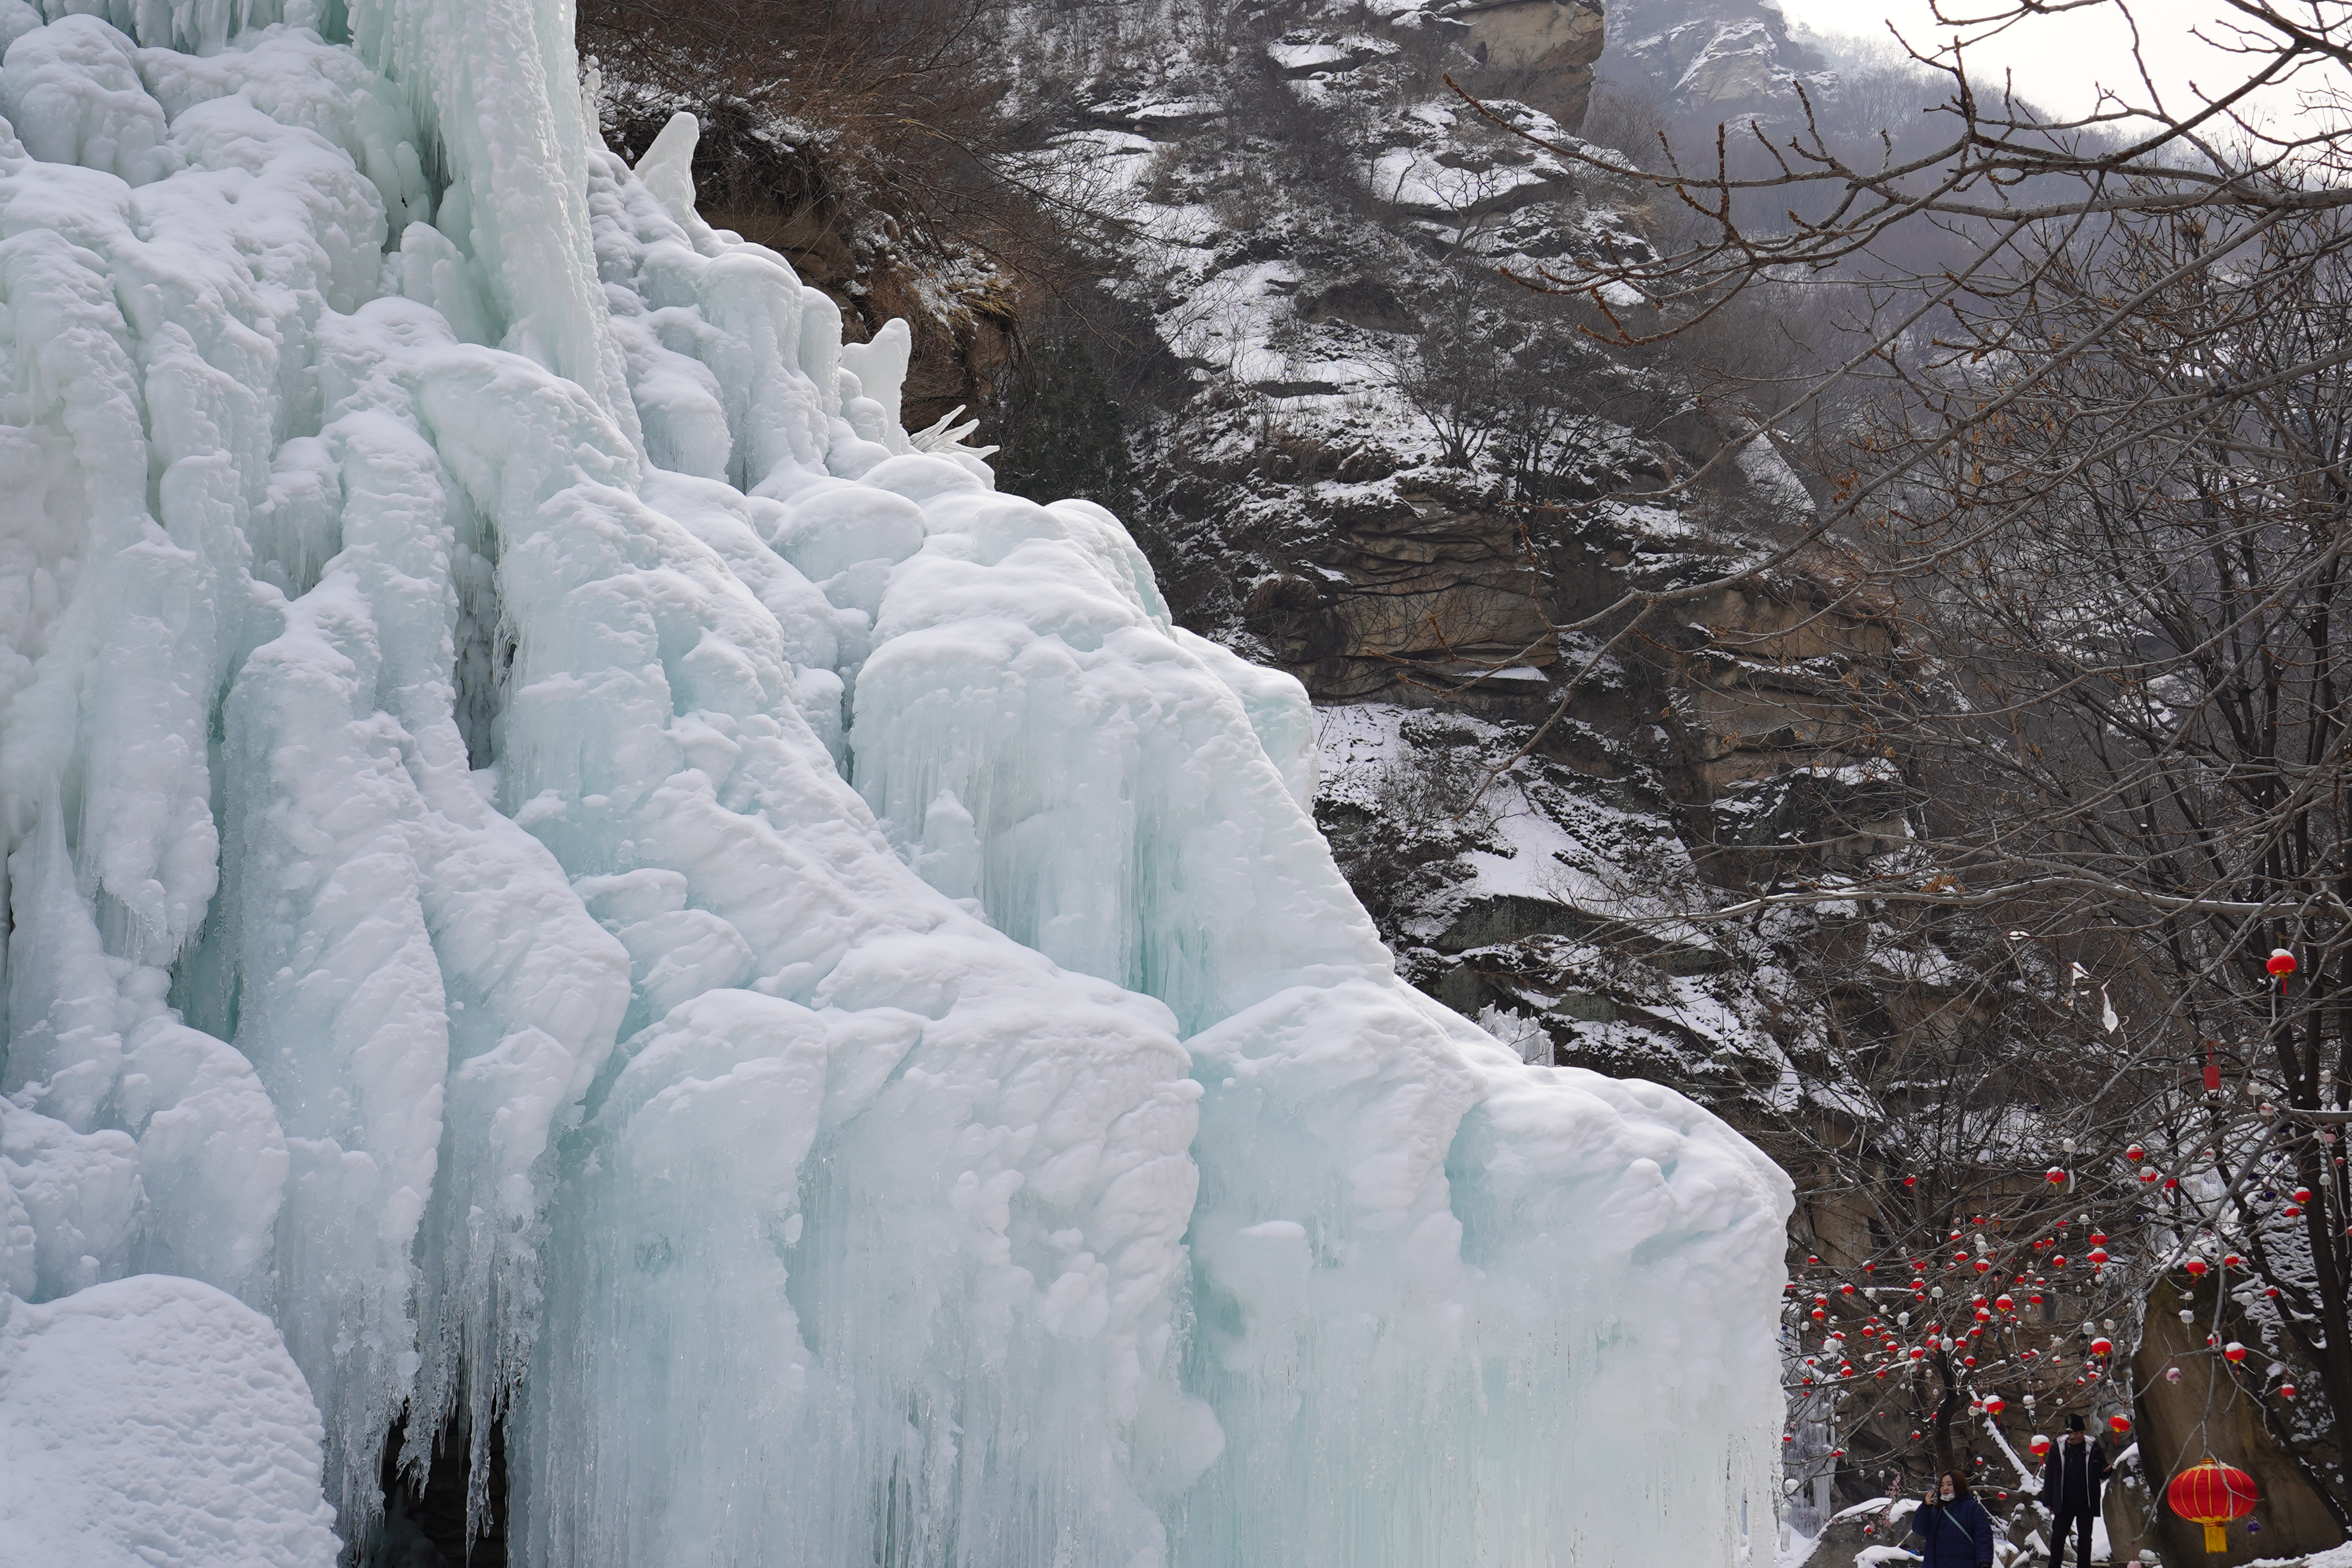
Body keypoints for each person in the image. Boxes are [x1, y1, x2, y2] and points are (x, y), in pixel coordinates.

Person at [2041, 1413, 2109, 1568]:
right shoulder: (2057, 1449)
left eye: (2082, 1432)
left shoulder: (2093, 1448)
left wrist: (2106, 1471)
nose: (2081, 1436)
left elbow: (2101, 1470)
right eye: (2077, 1433)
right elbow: (2050, 1475)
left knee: (2085, 1539)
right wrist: (2049, 1500)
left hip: (2086, 1502)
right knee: (2058, 1537)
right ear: (2069, 1434)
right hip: (2064, 1502)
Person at [1908, 1469, 1997, 1568]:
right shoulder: (1936, 1509)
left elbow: (1983, 1537)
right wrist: (1925, 1507)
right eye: (1942, 1485)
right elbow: (1919, 1529)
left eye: (1949, 1484)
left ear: (1959, 1486)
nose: (1945, 1488)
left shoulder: (1972, 1508)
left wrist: (1984, 1562)